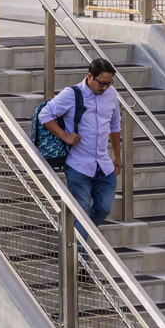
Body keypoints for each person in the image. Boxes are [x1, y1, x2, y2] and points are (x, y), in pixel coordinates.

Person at [38, 57, 122, 226]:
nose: (105, 87)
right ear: (90, 76)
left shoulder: (111, 94)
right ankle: (78, 251)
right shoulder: (71, 94)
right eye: (101, 83)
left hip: (103, 164)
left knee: (104, 208)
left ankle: (73, 242)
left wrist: (117, 157)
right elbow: (44, 115)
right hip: (78, 164)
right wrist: (64, 135)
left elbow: (115, 125)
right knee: (82, 211)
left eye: (109, 83)